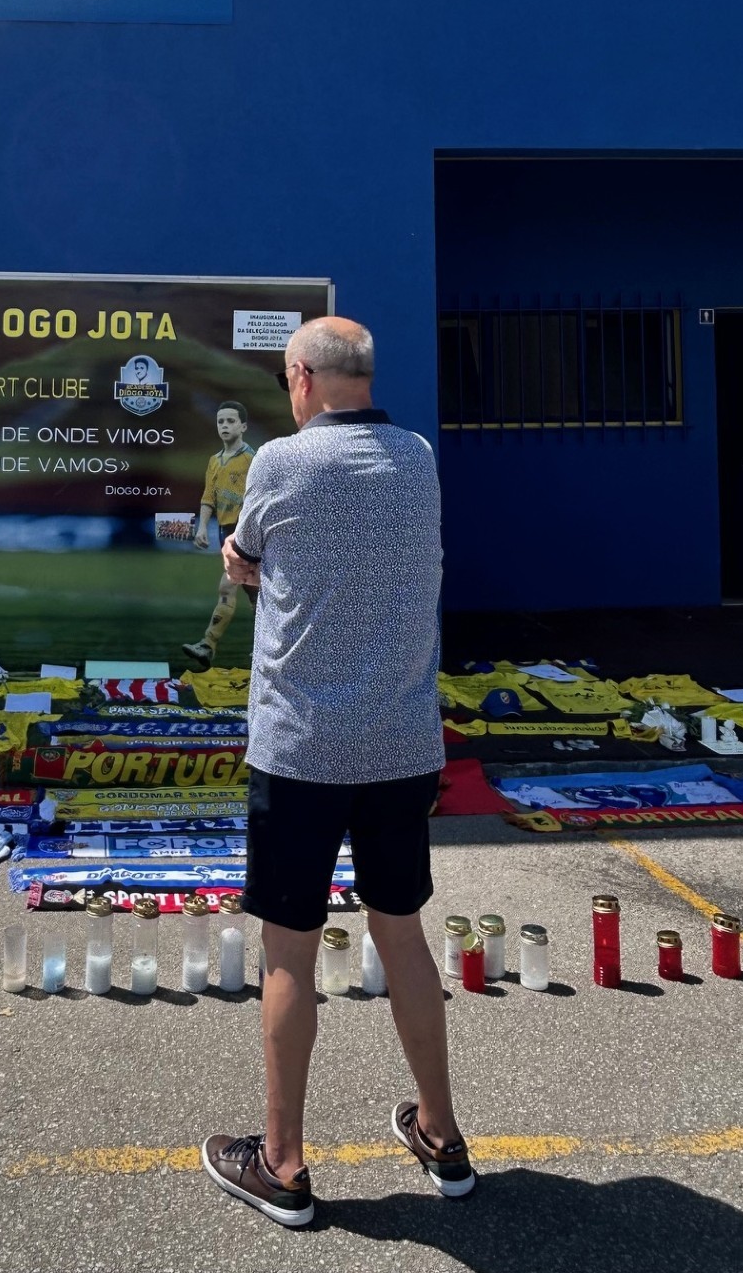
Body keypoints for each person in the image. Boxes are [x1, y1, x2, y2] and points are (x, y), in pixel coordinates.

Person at [200, 316, 473, 1225]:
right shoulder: (420, 458)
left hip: (304, 747)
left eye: (287, 379)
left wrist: (244, 566)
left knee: (289, 952)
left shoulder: (281, 462)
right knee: (403, 935)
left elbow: (247, 555)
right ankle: (440, 1130)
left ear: (303, 378)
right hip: (400, 746)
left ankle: (281, 1163)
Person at [182, 400, 255, 665]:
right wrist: (202, 527)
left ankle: (207, 644)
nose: (224, 426)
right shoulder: (215, 461)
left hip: (246, 534)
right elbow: (208, 498)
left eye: (231, 421)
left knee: (227, 587)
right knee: (255, 595)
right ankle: (264, 650)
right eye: (220, 421)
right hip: (225, 532)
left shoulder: (252, 460)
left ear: (243, 426)